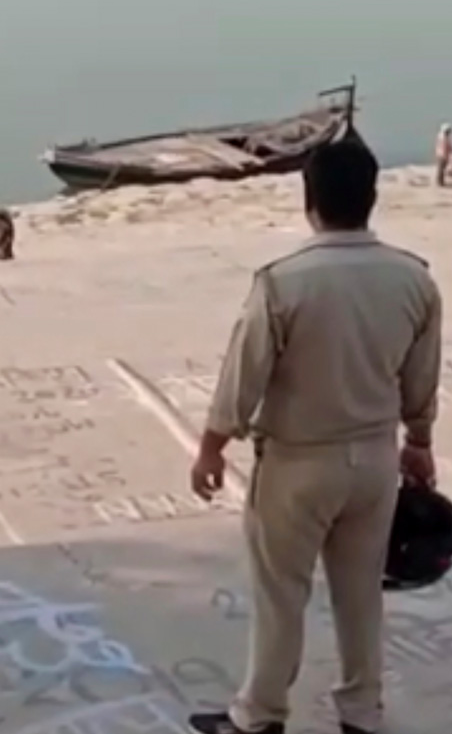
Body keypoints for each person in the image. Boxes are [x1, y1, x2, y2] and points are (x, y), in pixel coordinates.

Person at [186, 140, 441, 734]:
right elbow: (422, 375)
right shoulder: (413, 279)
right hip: (374, 459)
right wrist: (419, 440)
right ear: (371, 198)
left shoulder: (283, 283)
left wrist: (211, 448)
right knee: (362, 594)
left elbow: (242, 377)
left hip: (297, 463)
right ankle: (361, 711)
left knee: (281, 594)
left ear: (310, 201)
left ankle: (260, 714)